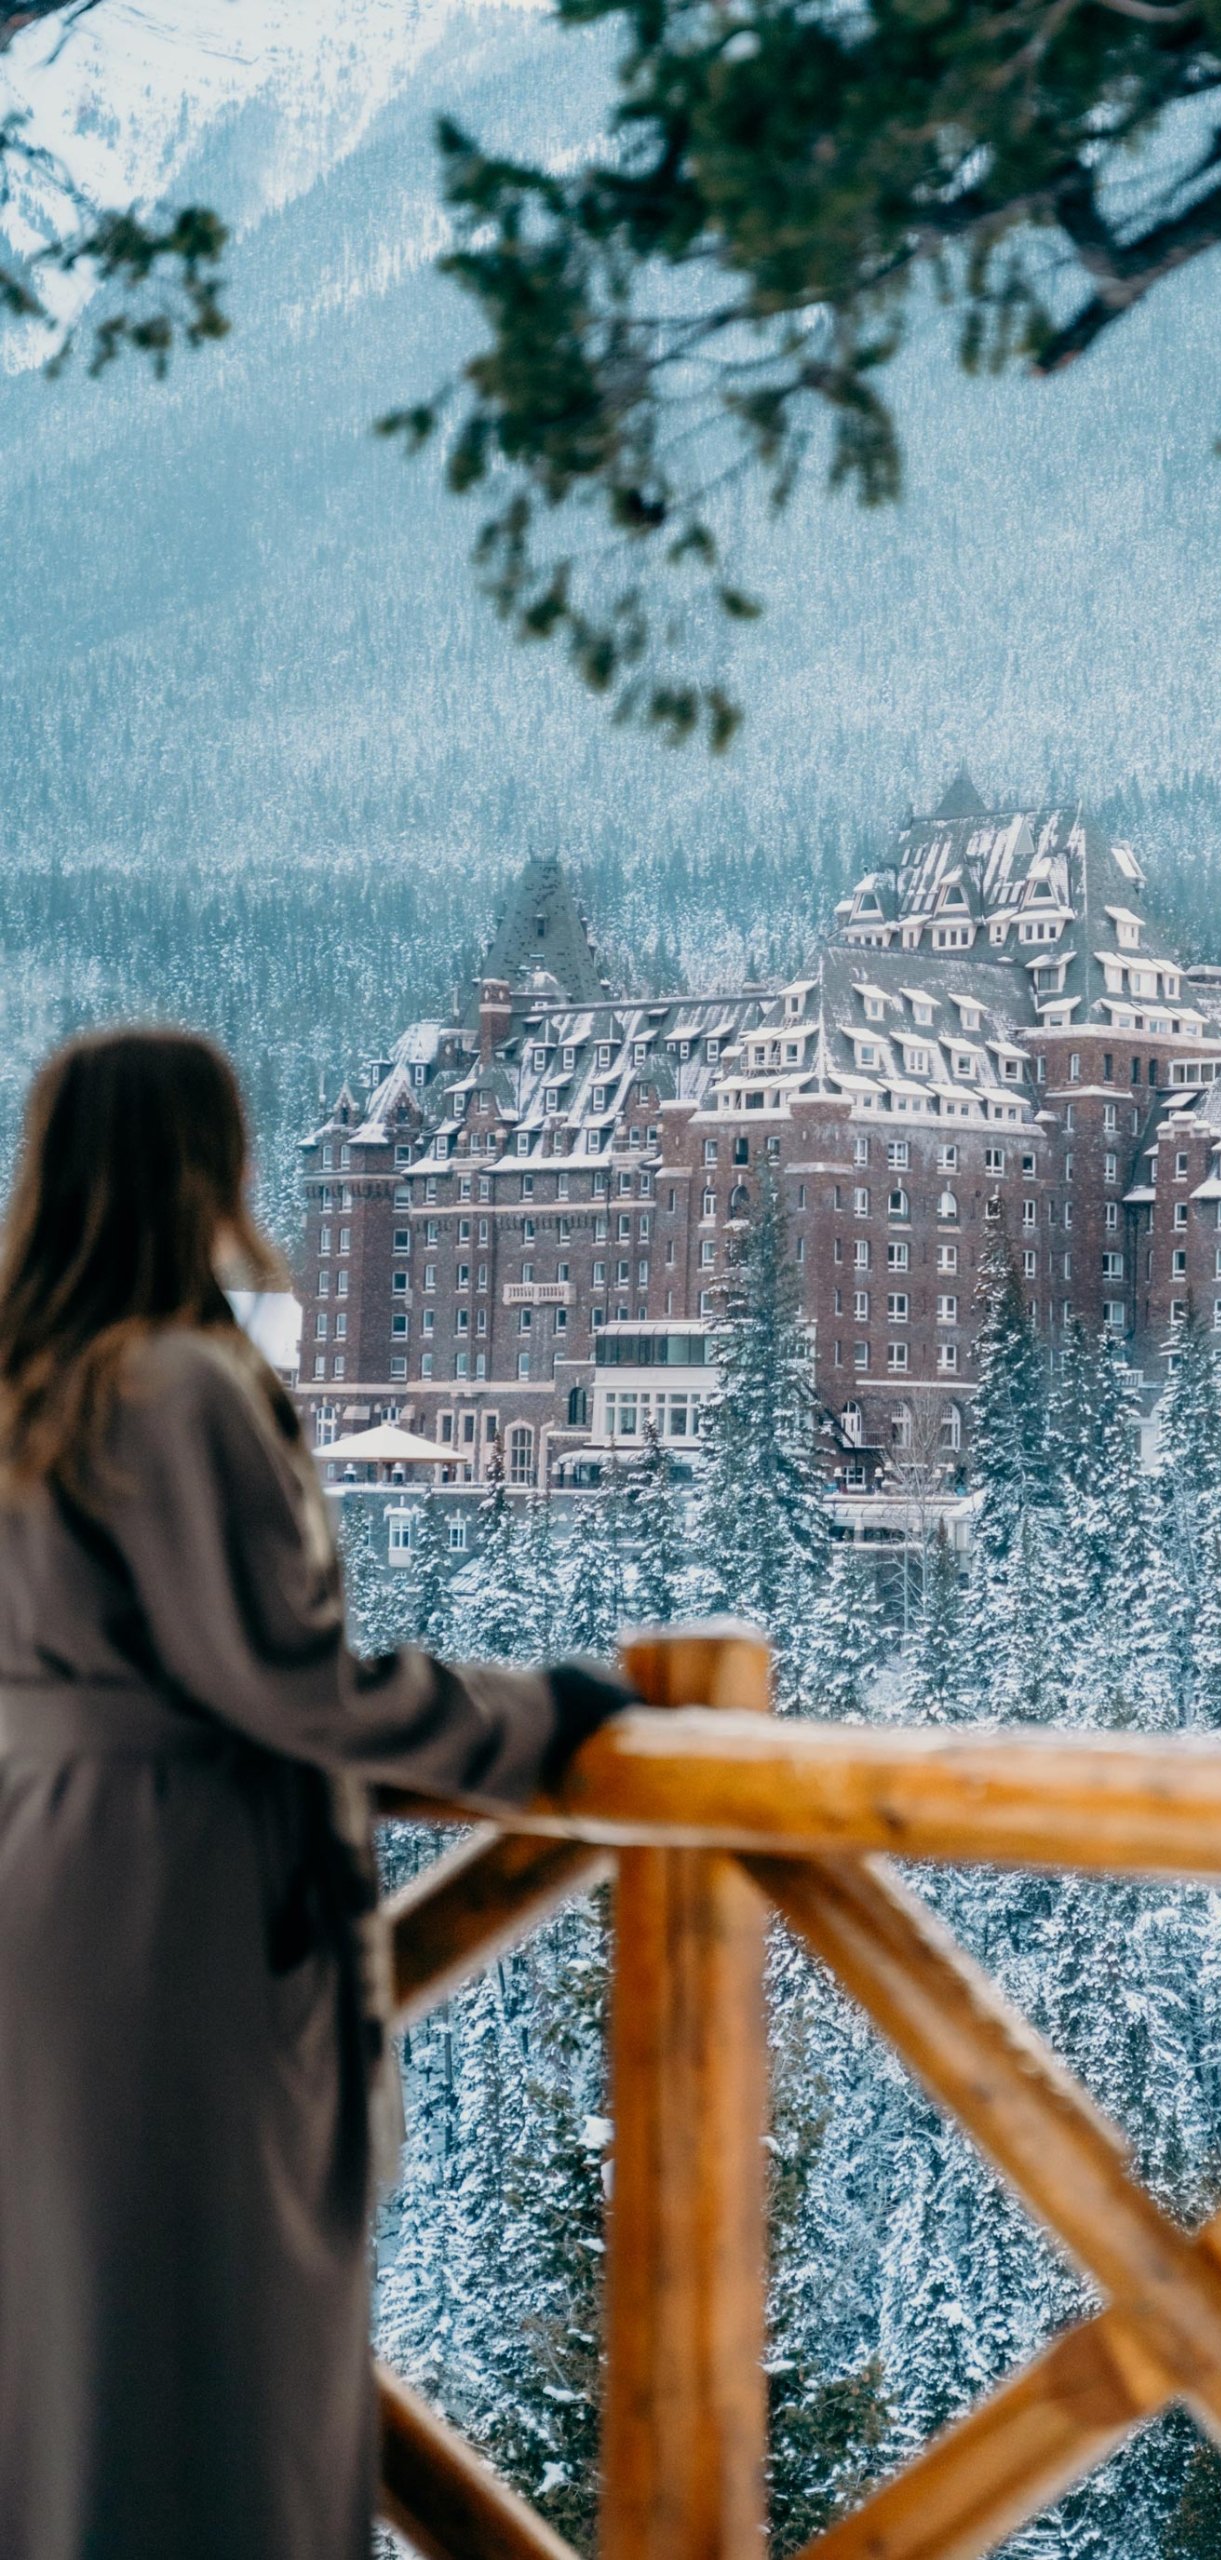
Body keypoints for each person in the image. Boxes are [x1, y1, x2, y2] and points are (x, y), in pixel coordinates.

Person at [0, 1029, 635, 2560]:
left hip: (40, 1882)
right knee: (221, 2333)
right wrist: (539, 1719)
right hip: (183, 1910)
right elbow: (284, 1679)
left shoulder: (30, 1385)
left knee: (66, 2330)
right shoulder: (179, 1383)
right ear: (205, 1167)